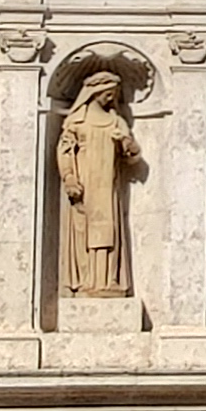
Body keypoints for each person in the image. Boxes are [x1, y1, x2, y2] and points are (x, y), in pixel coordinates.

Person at [57, 70, 142, 296]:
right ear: (95, 92)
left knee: (108, 229)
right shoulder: (76, 121)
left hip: (108, 182)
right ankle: (88, 280)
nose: (111, 98)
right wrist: (69, 177)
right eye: (108, 93)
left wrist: (126, 143)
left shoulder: (116, 121)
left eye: (113, 94)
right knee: (85, 228)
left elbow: (133, 155)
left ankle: (108, 280)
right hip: (85, 181)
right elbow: (65, 151)